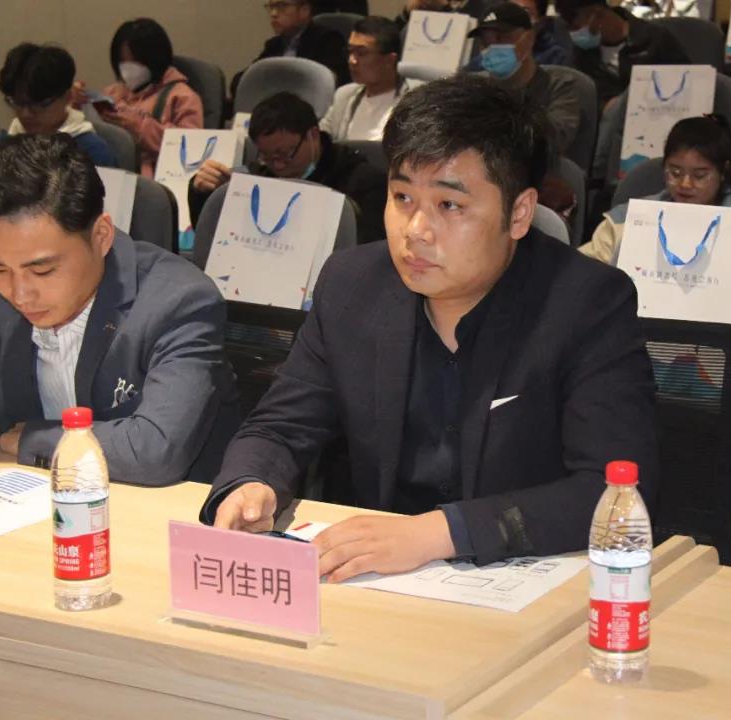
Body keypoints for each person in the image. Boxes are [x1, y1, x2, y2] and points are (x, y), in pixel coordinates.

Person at [199, 75, 658, 579]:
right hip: (377, 580)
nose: (415, 230)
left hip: (524, 578)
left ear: (519, 213)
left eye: (449, 205)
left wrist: (442, 533)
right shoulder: (352, 285)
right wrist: (250, 482)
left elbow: (614, 490)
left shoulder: (586, 304)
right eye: (402, 198)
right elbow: (282, 425)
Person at [0, 134, 241, 484]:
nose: (20, 294)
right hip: (32, 500)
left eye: (42, 270)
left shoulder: (180, 302)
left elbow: (154, 450)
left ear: (101, 236)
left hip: (159, 505)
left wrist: (34, 440)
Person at [189, 91, 386, 250]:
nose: (278, 165)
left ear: (313, 135)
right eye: (267, 156)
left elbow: (366, 254)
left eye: (285, 153)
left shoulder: (364, 184)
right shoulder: (258, 176)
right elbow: (214, 239)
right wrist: (202, 192)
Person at [579, 114, 731, 265]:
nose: (685, 184)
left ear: (723, 172)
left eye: (699, 175)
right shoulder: (629, 219)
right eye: (675, 173)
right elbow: (586, 271)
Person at [73, 18, 204, 178]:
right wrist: (77, 104)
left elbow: (191, 149)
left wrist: (139, 126)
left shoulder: (182, 97)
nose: (127, 69)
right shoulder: (112, 92)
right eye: (122, 62)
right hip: (111, 172)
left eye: (135, 62)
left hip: (155, 179)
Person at [468, 3, 581, 155]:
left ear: (529, 39)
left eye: (501, 38)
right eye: (485, 43)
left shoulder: (559, 86)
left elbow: (552, 142)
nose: (493, 48)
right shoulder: (473, 87)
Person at [0, 44, 117, 168]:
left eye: (38, 105)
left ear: (67, 97)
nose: (25, 114)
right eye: (18, 103)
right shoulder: (3, 146)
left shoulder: (92, 152)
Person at [555, 0, 690, 110]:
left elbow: (688, 83)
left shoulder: (654, 39)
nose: (574, 34)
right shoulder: (582, 54)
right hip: (608, 127)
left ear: (596, 14)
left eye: (576, 27)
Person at [319, 16, 421, 142]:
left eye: (361, 53)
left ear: (389, 60)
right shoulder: (344, 96)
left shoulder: (415, 102)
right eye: (350, 51)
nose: (352, 61)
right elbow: (320, 140)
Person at [233, 0, 349, 97]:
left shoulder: (327, 40)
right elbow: (243, 81)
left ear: (304, 10)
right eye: (271, 7)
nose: (273, 14)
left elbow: (331, 85)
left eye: (282, 6)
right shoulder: (274, 45)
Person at [467, 0, 572, 70]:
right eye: (509, 13)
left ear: (541, 22)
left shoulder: (557, 59)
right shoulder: (489, 55)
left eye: (524, 13)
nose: (513, 20)